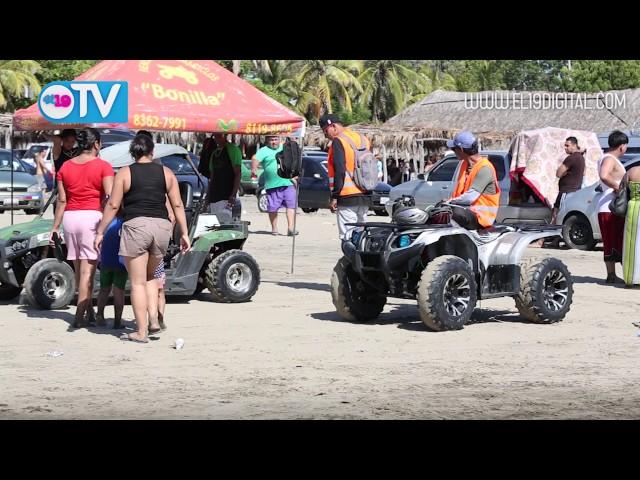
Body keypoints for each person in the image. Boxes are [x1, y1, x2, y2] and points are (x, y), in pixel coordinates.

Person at [95, 134, 190, 344]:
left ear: (133, 153)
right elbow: (177, 205)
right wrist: (184, 232)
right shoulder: (167, 173)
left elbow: (112, 205)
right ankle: (153, 320)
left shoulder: (125, 173)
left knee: (137, 282)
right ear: (152, 152)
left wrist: (101, 231)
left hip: (136, 227)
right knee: (150, 278)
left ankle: (141, 332)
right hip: (162, 228)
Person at [51, 128, 114, 328]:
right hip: (91, 217)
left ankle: (88, 311)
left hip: (70, 218)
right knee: (89, 271)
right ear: (96, 143)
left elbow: (62, 200)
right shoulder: (103, 166)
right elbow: (109, 197)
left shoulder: (65, 167)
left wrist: (55, 227)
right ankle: (79, 317)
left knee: (79, 269)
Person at [319, 113, 371, 240]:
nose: (325, 135)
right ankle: (362, 259)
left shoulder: (339, 141)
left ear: (334, 127)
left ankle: (351, 260)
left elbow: (340, 170)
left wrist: (335, 196)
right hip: (365, 194)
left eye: (325, 130)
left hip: (347, 196)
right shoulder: (363, 138)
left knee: (348, 236)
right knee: (362, 236)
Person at [446, 131, 500, 230]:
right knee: (441, 211)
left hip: (481, 218)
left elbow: (470, 197)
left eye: (454, 149)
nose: (453, 151)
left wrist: (449, 202)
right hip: (467, 211)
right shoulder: (464, 165)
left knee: (450, 211)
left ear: (461, 149)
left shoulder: (485, 168)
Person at [597, 130, 628, 284]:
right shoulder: (610, 158)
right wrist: (618, 188)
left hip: (608, 206)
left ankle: (613, 274)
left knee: (613, 240)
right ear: (622, 146)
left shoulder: (606, 157)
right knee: (615, 240)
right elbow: (604, 175)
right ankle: (612, 275)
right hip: (611, 206)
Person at [251, 135, 298, 236]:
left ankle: (290, 228)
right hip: (272, 184)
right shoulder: (264, 150)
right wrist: (253, 171)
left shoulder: (284, 147)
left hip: (288, 182)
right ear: (267, 141)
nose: (274, 142)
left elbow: (295, 156)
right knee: (273, 207)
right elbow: (255, 158)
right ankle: (274, 228)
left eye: (276, 139)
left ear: (280, 139)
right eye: (271, 140)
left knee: (291, 205)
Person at [95, 213, 127, 329]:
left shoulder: (106, 222)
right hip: (120, 262)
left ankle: (99, 316)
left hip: (105, 261)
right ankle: (117, 322)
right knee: (118, 291)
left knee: (104, 289)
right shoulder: (126, 223)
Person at [207, 134, 242, 222]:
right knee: (214, 223)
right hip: (215, 196)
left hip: (227, 195)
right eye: (216, 136)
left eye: (219, 136)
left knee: (225, 223)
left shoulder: (233, 150)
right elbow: (212, 176)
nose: (216, 138)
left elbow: (238, 173)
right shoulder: (214, 153)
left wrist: (233, 194)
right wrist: (208, 195)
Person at [553, 136, 585, 223]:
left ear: (574, 145)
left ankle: (553, 233)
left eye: (567, 145)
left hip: (566, 191)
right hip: (575, 191)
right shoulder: (581, 157)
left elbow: (558, 173)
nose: (565, 148)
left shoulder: (571, 158)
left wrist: (564, 173)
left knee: (557, 214)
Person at [623, 163, 640, 287]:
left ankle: (630, 279)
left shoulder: (631, 171)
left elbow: (621, 190)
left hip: (633, 208)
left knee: (631, 245)